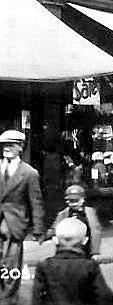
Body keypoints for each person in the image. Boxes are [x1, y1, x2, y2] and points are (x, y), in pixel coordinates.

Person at [0, 129, 46, 305]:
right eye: (4, 145)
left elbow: (36, 202)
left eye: (11, 145)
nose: (7, 148)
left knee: (11, 267)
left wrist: (38, 229)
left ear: (21, 147)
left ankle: (8, 301)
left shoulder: (29, 173)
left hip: (15, 226)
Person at [31, 218, 113, 305]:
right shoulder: (89, 266)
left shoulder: (44, 266)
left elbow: (37, 297)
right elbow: (105, 296)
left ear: (55, 240)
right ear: (85, 241)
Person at [49, 185, 102, 259]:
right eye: (70, 201)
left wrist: (95, 252)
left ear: (82, 200)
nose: (73, 204)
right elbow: (55, 231)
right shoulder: (63, 214)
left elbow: (95, 232)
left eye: (75, 201)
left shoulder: (89, 212)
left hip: (85, 248)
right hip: (67, 249)